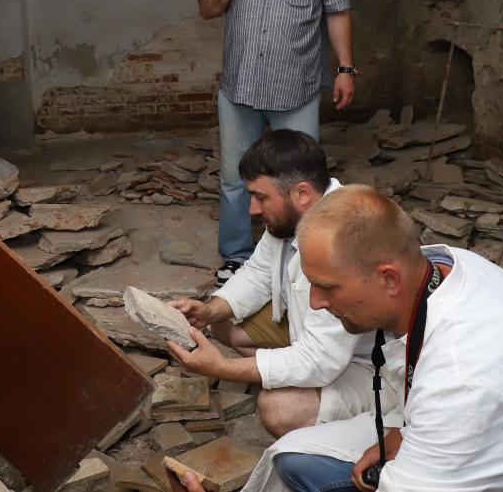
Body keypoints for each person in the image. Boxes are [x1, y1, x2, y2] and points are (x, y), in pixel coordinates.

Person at [243, 185, 503, 492]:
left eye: (328, 287)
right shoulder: (441, 266)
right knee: (293, 458)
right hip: (491, 438)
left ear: (389, 279)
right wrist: (399, 433)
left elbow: (458, 397)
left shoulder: (465, 380)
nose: (315, 302)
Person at [166, 131, 397, 438]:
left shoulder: (342, 240)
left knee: (279, 408)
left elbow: (321, 360)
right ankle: (286, 373)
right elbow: (259, 271)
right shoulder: (291, 216)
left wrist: (221, 367)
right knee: (220, 320)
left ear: (302, 192)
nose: (252, 209)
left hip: (368, 366)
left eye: (261, 197)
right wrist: (210, 310)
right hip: (314, 342)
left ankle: (349, 428)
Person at [196, 0, 356, 285]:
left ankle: (304, 260)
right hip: (241, 88)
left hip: (297, 89)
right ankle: (236, 256)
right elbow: (205, 8)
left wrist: (346, 68)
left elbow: (337, 9)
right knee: (234, 178)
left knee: (302, 182)